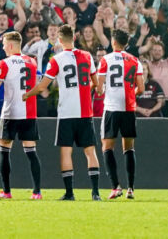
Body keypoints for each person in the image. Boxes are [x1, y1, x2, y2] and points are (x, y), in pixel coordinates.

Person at [24, 24, 101, 201]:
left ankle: (70, 193)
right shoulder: (87, 56)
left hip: (67, 112)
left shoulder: (56, 59)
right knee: (90, 151)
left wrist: (27, 94)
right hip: (85, 112)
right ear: (74, 38)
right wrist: (84, 89)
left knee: (66, 152)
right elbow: (95, 83)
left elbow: (43, 85)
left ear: (59, 40)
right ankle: (95, 193)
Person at [0, 30, 42, 200]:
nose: (3, 48)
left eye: (3, 45)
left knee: (4, 150)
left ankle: (6, 191)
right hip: (29, 112)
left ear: (10, 45)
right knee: (31, 152)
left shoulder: (4, 63)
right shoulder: (32, 61)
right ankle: (37, 192)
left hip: (10, 112)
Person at [95, 29, 144, 199]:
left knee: (107, 147)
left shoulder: (105, 60)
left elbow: (99, 90)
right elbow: (141, 88)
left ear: (113, 42)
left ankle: (115, 187)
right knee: (129, 148)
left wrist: (102, 89)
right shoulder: (135, 61)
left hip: (111, 108)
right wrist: (130, 93)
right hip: (129, 108)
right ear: (126, 43)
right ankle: (131, 188)